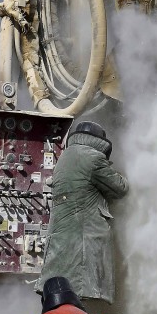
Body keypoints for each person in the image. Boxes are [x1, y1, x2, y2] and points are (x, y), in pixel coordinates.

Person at [38, 121, 128, 304]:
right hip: (82, 243)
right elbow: (120, 189)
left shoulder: (64, 158)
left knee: (60, 296)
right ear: (100, 142)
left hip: (61, 242)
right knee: (77, 297)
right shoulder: (93, 158)